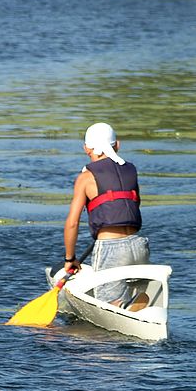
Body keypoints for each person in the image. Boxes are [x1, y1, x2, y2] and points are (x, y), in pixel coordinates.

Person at [63, 122, 150, 310]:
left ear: (86, 149)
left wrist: (70, 259)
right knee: (139, 303)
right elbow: (135, 204)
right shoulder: (131, 170)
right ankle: (133, 306)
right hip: (138, 245)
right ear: (117, 145)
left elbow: (72, 222)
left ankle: (121, 307)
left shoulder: (86, 178)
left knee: (108, 305)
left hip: (111, 248)